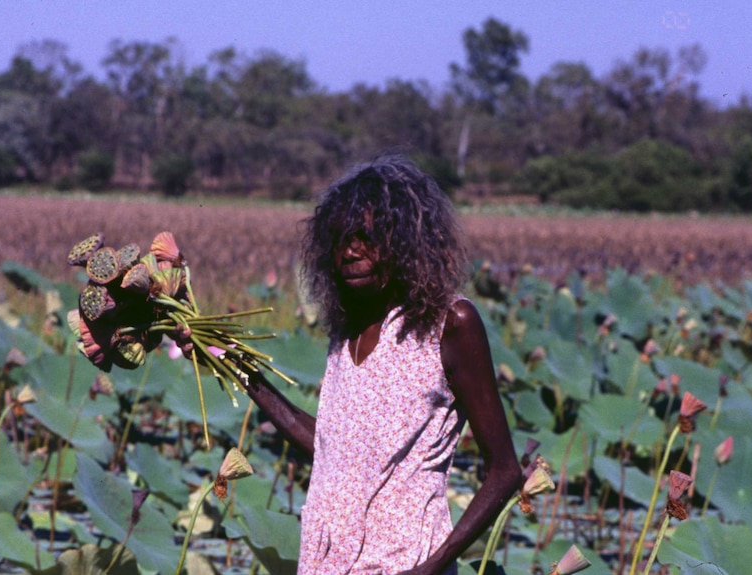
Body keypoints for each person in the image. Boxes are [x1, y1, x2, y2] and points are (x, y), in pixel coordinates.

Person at [185, 156, 521, 574]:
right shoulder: (347, 329)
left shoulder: (450, 324)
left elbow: (505, 471)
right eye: (341, 239)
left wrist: (434, 565)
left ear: (405, 243)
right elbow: (331, 446)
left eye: (366, 237)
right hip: (326, 561)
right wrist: (228, 361)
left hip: (404, 563)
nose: (350, 251)